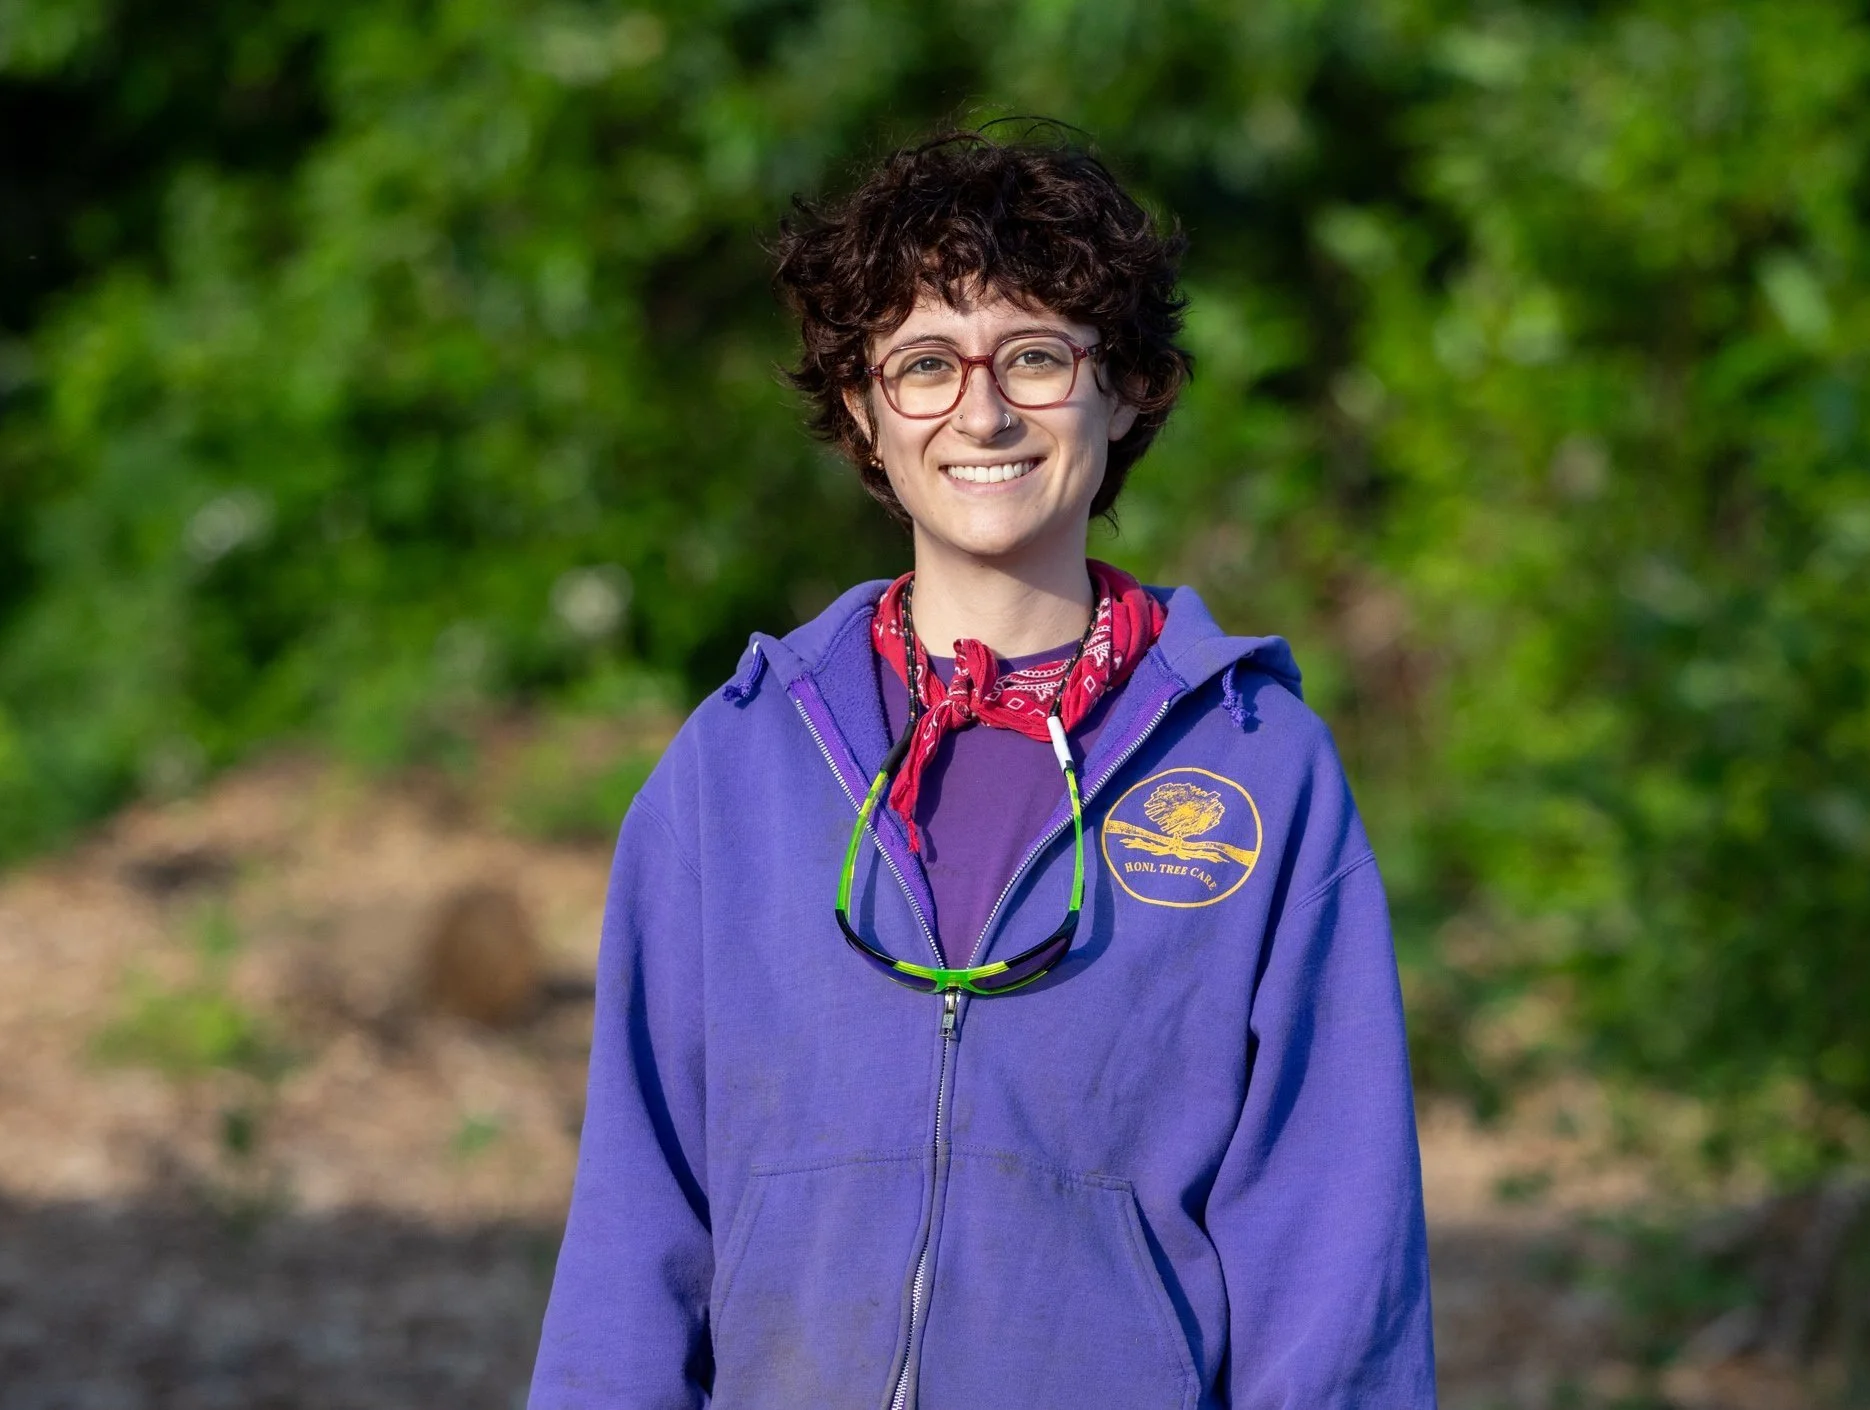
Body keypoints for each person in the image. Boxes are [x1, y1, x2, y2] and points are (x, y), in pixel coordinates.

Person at [527, 128, 1436, 1408]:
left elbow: (1335, 1253)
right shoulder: (733, 767)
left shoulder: (1259, 767)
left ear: (1123, 388)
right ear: (861, 409)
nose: (984, 410)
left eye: (1036, 355)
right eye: (923, 366)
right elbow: (638, 1218)